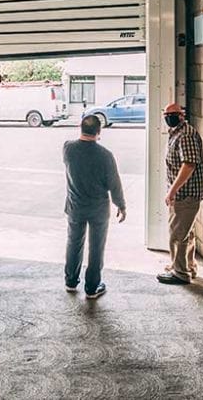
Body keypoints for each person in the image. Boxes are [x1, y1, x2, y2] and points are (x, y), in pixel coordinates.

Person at [63, 114, 127, 299]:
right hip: (98, 209)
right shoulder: (105, 155)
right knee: (96, 247)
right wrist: (121, 205)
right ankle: (92, 287)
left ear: (80, 127)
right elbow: (114, 183)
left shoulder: (68, 148)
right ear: (99, 132)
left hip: (75, 207)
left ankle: (70, 282)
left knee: (74, 243)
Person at [157, 102, 203, 286]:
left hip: (186, 193)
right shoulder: (176, 133)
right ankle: (188, 267)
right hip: (182, 193)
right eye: (166, 114)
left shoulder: (186, 135)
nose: (169, 117)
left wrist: (172, 190)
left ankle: (180, 273)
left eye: (173, 114)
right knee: (186, 233)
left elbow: (189, 164)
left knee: (177, 234)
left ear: (181, 115)